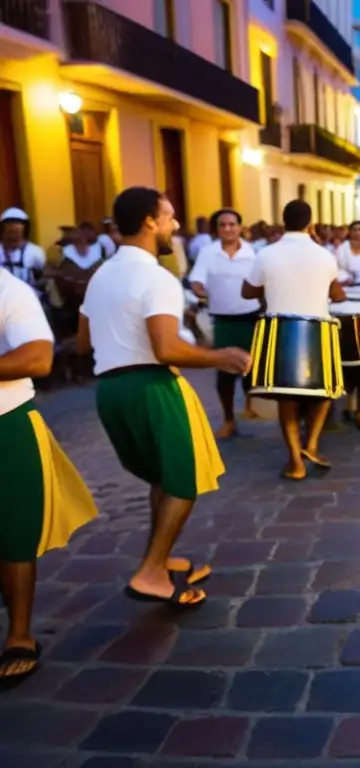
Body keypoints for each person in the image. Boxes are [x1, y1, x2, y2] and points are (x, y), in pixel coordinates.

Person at [78, 187, 252, 607]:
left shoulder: (102, 273)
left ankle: (162, 558)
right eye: (170, 217)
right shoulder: (156, 276)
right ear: (149, 221)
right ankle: (152, 571)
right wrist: (219, 356)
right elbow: (167, 348)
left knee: (161, 477)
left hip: (111, 390)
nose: (176, 226)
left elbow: (82, 344)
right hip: (152, 387)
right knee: (183, 478)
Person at [0, 266, 98, 687]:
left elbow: (38, 356)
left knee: (14, 532)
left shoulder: (8, 289)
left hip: (5, 420)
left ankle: (19, 635)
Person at [242, 200, 346, 479]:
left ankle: (295, 462)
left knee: (286, 398)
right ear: (310, 224)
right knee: (326, 391)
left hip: (281, 330)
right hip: (318, 330)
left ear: (283, 221)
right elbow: (338, 295)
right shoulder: (325, 256)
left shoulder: (266, 254)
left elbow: (246, 291)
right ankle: (311, 444)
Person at [187, 208, 262, 438]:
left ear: (240, 227)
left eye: (232, 224)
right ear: (216, 229)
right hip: (223, 320)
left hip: (251, 317)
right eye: (223, 225)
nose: (228, 229)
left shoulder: (253, 253)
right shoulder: (208, 253)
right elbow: (196, 279)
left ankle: (253, 407)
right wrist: (198, 288)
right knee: (225, 374)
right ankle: (229, 419)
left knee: (253, 370)